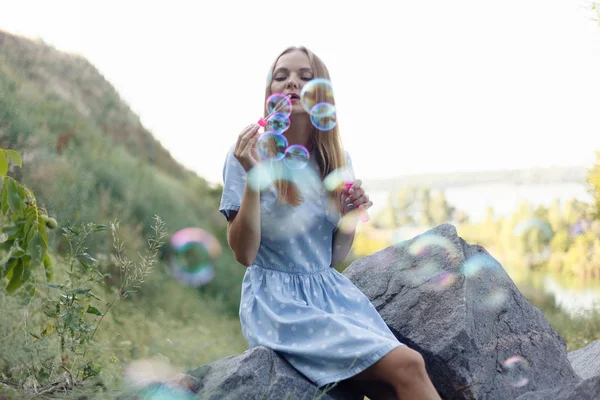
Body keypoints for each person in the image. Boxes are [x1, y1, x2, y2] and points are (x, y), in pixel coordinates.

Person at [219, 46, 441, 400]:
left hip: (329, 293)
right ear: (270, 92)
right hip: (278, 304)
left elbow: (333, 257)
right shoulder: (248, 155)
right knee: (409, 364)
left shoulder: (337, 159)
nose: (292, 82)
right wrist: (254, 177)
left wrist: (350, 217)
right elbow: (244, 254)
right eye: (282, 76)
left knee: (390, 388)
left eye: (306, 77)